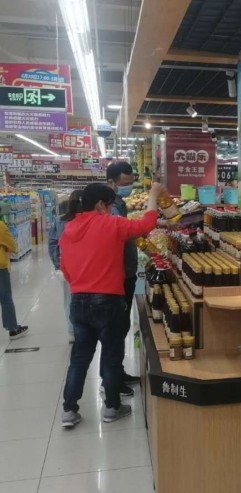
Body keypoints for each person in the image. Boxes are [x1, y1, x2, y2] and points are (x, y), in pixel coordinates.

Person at [59, 182, 162, 427]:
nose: (111, 208)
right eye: (109, 204)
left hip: (79, 300)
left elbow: (65, 269)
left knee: (80, 358)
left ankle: (69, 410)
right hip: (108, 300)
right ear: (100, 205)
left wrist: (82, 284)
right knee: (111, 355)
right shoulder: (111, 224)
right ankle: (112, 407)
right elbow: (147, 224)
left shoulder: (69, 228)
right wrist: (154, 195)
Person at [106, 161, 139, 395]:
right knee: (116, 330)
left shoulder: (118, 203)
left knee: (120, 328)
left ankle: (117, 374)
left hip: (126, 272)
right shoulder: (111, 208)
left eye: (131, 182)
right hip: (119, 276)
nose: (129, 187)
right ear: (112, 182)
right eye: (125, 183)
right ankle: (111, 383)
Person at [48, 190, 83, 343]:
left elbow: (52, 243)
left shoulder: (60, 221)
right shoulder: (89, 220)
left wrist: (57, 263)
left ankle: (72, 331)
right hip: (87, 265)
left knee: (69, 298)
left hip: (67, 266)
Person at [0, 219, 28, 339]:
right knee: (6, 298)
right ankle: (13, 329)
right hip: (0, 267)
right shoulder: (1, 226)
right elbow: (12, 245)